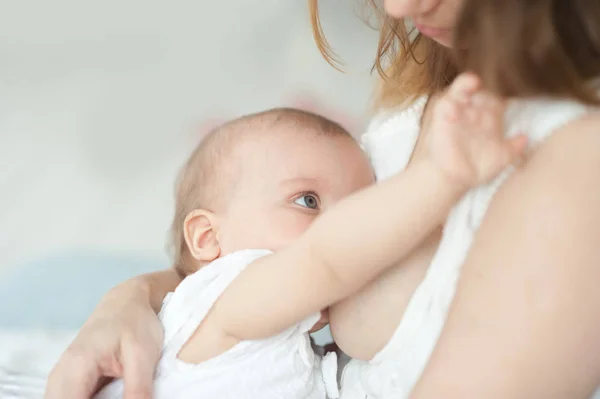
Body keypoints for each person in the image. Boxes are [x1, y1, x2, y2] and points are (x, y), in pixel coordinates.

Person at [46, 0, 600, 398]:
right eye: (309, 201)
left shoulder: (576, 162)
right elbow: (308, 262)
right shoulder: (436, 82)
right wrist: (126, 301)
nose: (398, 7)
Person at [94, 79, 520, 398]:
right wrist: (442, 179)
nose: (347, 225)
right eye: (308, 200)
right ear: (207, 237)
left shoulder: (275, 335)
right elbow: (325, 260)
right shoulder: (226, 296)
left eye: (359, 204)